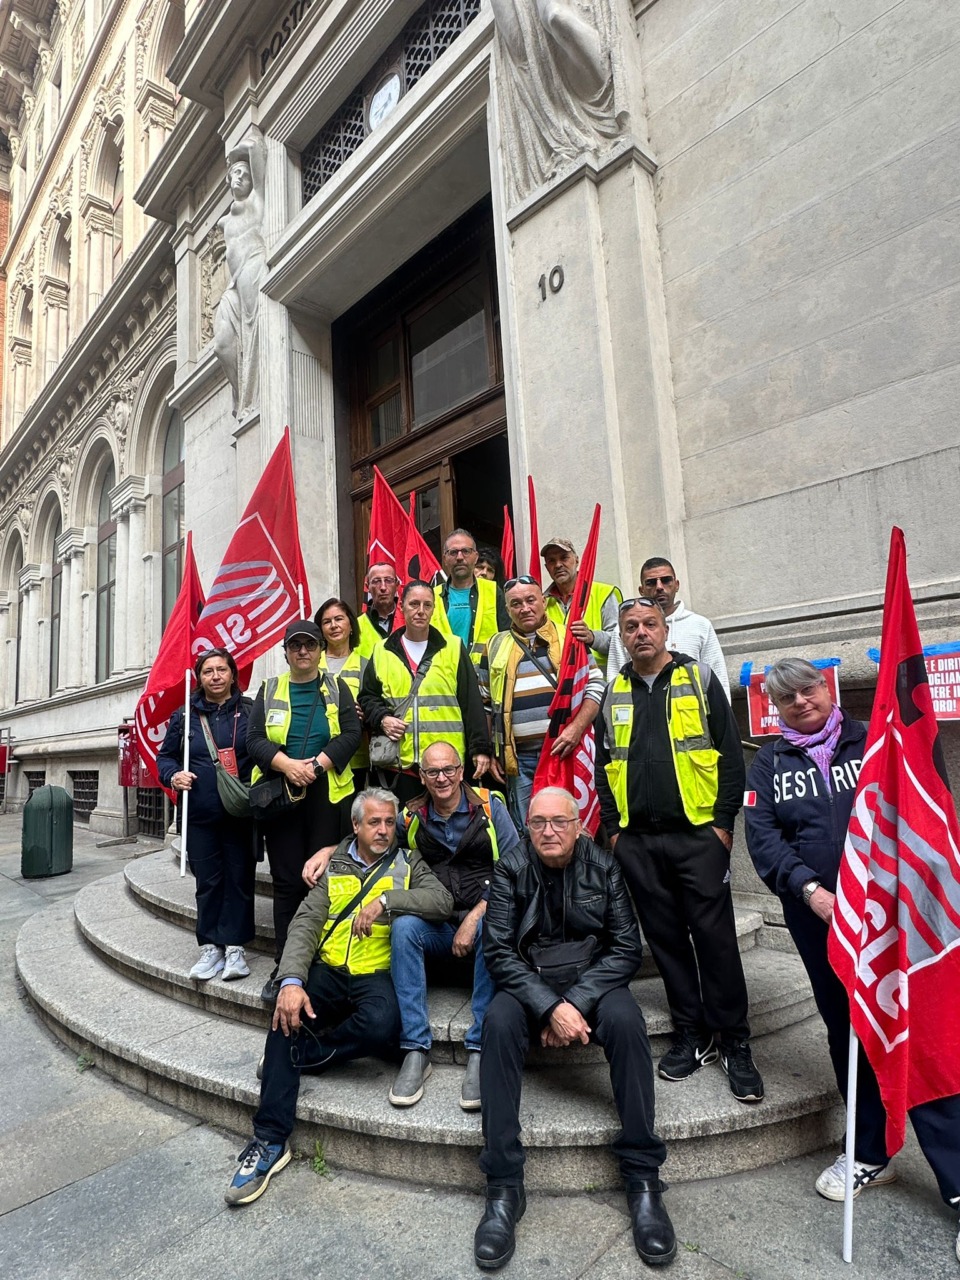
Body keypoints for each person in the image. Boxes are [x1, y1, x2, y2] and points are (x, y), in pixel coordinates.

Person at [744, 658, 960, 1246]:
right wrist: (809, 890)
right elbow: (762, 839)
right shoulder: (768, 763)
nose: (801, 702)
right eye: (786, 698)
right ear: (776, 707)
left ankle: (958, 1177)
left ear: (828, 689)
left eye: (809, 688)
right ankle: (870, 1153)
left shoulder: (874, 740)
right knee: (849, 1031)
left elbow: (916, 802)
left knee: (910, 1030)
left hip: (892, 918)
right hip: (823, 922)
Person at [475, 787, 675, 1270]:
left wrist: (574, 1004)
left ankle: (643, 1178)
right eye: (538, 822)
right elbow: (499, 951)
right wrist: (547, 1007)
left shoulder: (604, 866)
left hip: (593, 980)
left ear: (578, 823)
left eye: (558, 822)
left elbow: (626, 948)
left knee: (628, 1022)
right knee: (498, 1023)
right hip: (530, 982)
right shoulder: (511, 868)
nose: (548, 831)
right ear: (527, 825)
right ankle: (504, 1185)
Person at [224, 788, 454, 1205]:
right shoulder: (336, 863)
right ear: (356, 826)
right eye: (374, 822)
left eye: (389, 822)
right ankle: (270, 1140)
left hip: (375, 973)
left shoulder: (408, 862)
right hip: (329, 969)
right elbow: (307, 922)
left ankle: (306, 1057)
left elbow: (442, 901)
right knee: (285, 1014)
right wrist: (291, 980)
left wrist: (388, 900)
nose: (384, 830)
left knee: (385, 1025)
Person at [595, 598, 763, 1103]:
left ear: (666, 630)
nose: (641, 633)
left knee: (715, 943)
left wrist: (722, 826)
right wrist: (614, 832)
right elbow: (606, 766)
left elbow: (731, 756)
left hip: (698, 838)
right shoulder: (615, 690)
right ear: (622, 637)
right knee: (666, 943)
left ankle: (735, 1042)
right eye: (631, 628)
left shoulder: (699, 678)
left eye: (649, 625)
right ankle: (692, 1035)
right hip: (639, 842)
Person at [247, 619, 361, 1004]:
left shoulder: (337, 687)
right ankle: (284, 967)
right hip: (282, 796)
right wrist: (288, 766)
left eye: (310, 645)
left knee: (326, 880)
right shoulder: (269, 689)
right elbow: (254, 740)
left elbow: (350, 734)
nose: (303, 652)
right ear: (286, 652)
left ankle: (320, 963)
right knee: (287, 884)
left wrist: (318, 765)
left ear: (320, 650)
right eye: (295, 646)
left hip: (327, 797)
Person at [157, 648, 255, 982]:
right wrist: (173, 776)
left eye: (221, 670)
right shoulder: (184, 716)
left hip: (240, 814)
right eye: (208, 671)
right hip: (200, 814)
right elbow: (165, 758)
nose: (215, 676)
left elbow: (262, 754)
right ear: (199, 678)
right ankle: (211, 946)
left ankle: (236, 948)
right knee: (208, 883)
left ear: (232, 674)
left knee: (239, 880)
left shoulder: (250, 711)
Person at [480, 574, 605, 826]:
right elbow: (485, 703)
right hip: (520, 760)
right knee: (530, 827)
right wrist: (490, 751)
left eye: (530, 600)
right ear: (507, 609)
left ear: (542, 600)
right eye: (515, 604)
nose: (524, 608)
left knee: (573, 825)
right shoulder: (494, 645)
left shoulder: (569, 637)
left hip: (566, 751)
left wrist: (575, 729)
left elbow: (595, 686)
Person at [359, 579, 492, 804]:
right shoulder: (382, 650)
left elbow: (471, 703)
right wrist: (383, 719)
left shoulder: (453, 646)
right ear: (401, 606)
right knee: (405, 831)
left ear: (433, 609)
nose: (420, 611)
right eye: (414, 604)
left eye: (427, 605)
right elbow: (367, 697)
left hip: (446, 766)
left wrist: (480, 748)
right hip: (401, 765)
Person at [607, 558, 730, 697]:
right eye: (651, 582)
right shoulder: (626, 629)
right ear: (641, 590)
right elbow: (614, 679)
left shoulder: (700, 625)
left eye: (666, 580)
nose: (659, 587)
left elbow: (718, 679)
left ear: (676, 585)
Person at [315, 596, 369, 817]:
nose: (334, 625)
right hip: (316, 757)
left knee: (351, 821)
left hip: (355, 760)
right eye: (327, 621)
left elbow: (376, 705)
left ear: (351, 625)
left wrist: (367, 715)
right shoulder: (311, 662)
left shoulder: (366, 664)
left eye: (339, 619)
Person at [433, 528, 509, 669]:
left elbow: (508, 638)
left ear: (475, 556)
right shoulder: (432, 597)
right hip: (444, 679)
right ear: (445, 558)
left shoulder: (493, 591)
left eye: (466, 551)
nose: (460, 557)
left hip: (485, 680)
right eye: (453, 552)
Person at [357, 562, 399, 657]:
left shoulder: (409, 620)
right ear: (367, 587)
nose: (383, 587)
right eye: (376, 581)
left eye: (388, 580)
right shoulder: (357, 626)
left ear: (397, 585)